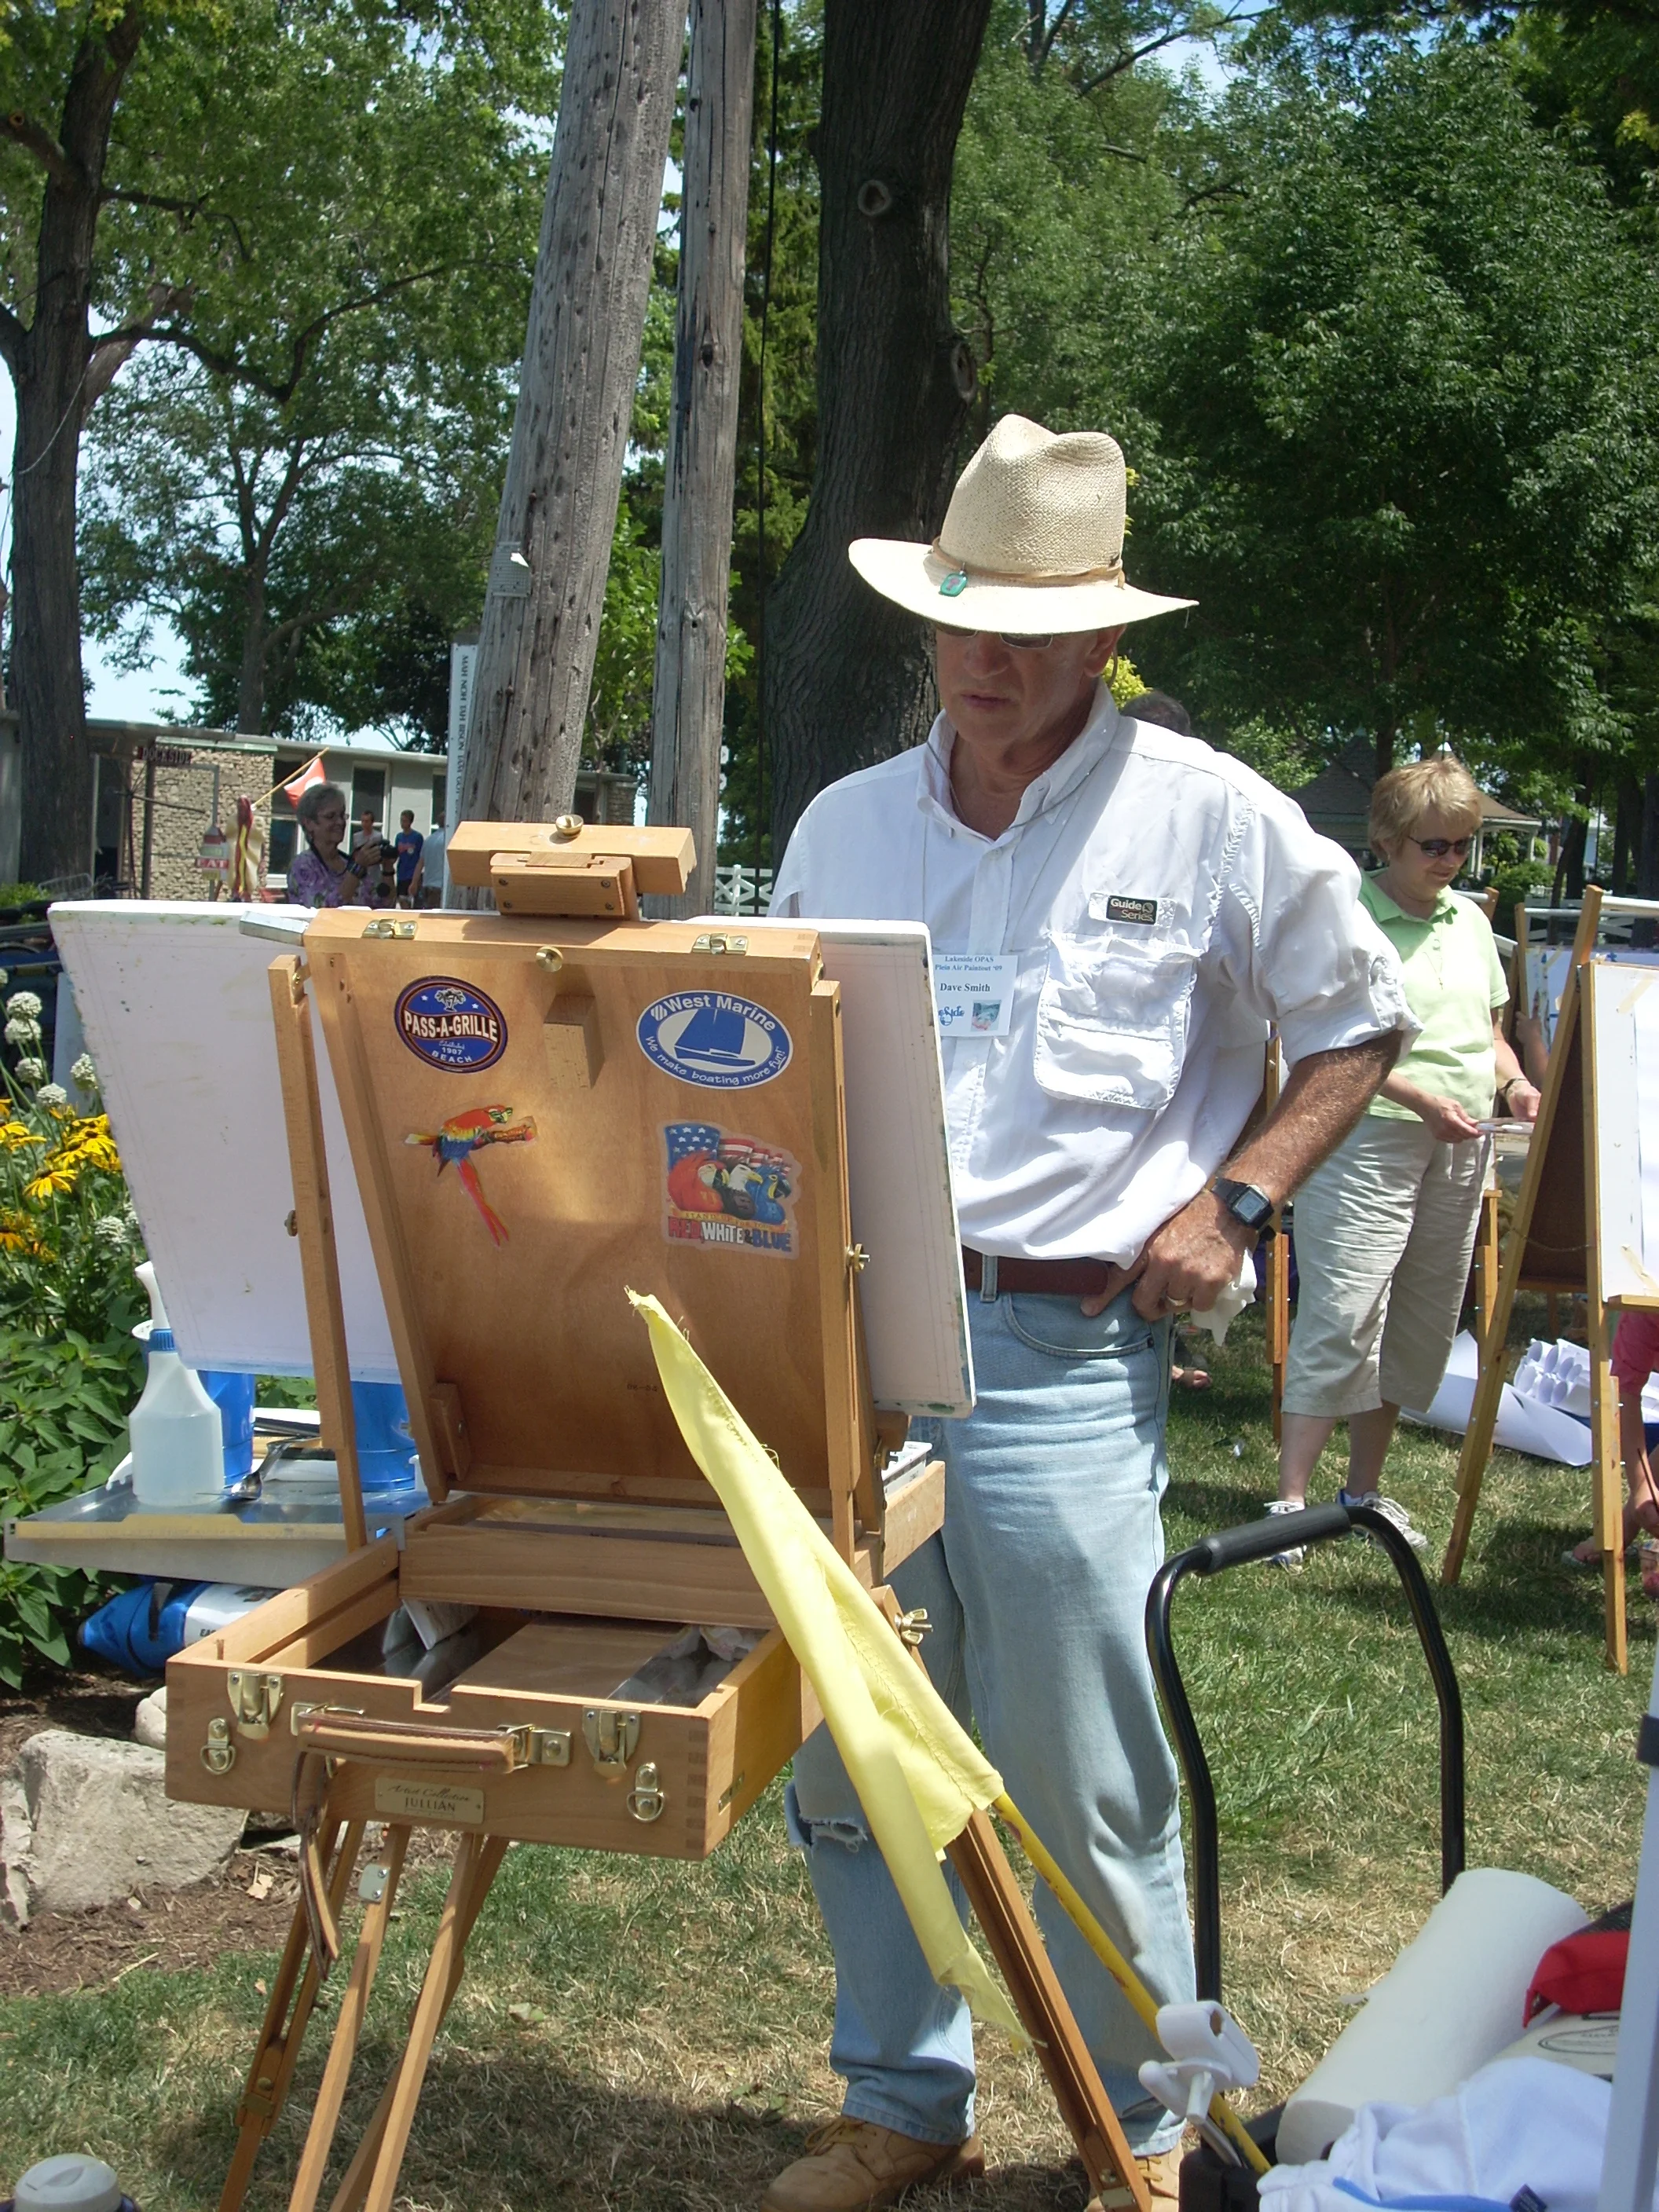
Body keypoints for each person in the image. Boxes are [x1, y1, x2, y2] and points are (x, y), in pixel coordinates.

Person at [761, 413, 1413, 2212]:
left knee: (1078, 1764)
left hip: (1057, 1358)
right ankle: (902, 2101)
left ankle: (1137, 2126)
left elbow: (1360, 1021)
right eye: (963, 617)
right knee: (853, 1748)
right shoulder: (840, 824)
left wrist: (1239, 1199)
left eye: (1032, 628)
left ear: (1102, 639)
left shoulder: (1204, 816)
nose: (987, 657)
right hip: (850, 1351)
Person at [1269, 756, 1542, 1564]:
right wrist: (1422, 1098)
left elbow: (1491, 1038)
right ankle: (1290, 1499)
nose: (1451, 859)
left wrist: (1520, 1084)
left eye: (1463, 843)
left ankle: (1361, 1493)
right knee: (1345, 1310)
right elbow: (1326, 1039)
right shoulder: (1348, 917)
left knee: (1418, 1321)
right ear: (1387, 841)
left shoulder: (1468, 925)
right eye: (1435, 843)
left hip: (1463, 1147)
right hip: (1365, 1137)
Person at [1568, 1309, 1659, 1568]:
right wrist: (1642, 1487)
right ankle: (1626, 1523)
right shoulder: (1646, 1308)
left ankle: (1625, 1524)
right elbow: (1624, 1394)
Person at [286, 782, 388, 908]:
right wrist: (357, 869)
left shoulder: (348, 863)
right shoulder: (303, 865)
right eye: (331, 816)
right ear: (309, 823)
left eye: (342, 815)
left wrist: (388, 869)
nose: (340, 822)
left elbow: (384, 906)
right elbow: (323, 910)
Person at [393, 810, 424, 906]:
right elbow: (396, 853)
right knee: (402, 900)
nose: (403, 823)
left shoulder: (417, 837)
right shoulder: (399, 837)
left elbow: (421, 857)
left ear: (410, 822)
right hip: (401, 873)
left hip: (413, 874)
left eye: (405, 821)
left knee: (413, 901)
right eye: (401, 821)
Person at [418, 808, 447, 907]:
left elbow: (420, 863)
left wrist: (414, 883)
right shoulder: (448, 841)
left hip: (427, 885)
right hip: (441, 886)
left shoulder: (428, 840)